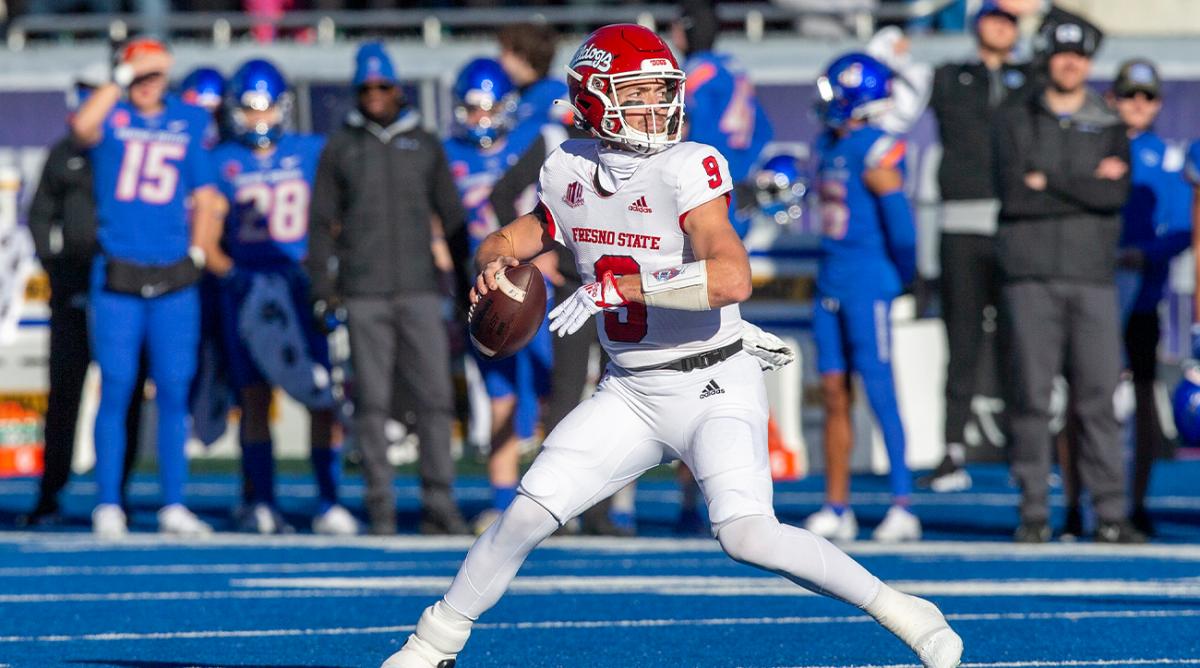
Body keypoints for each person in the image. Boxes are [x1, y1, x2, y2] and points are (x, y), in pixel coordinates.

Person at [379, 24, 962, 668]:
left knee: (747, 535)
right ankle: (433, 642)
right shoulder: (567, 165)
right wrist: (491, 260)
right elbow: (522, 235)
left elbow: (732, 276)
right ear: (595, 99)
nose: (658, 107)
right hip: (629, 390)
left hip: (713, 382)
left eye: (663, 92)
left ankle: (900, 607)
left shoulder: (690, 165)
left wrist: (619, 286)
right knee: (528, 509)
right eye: (639, 93)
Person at [306, 43, 470, 536]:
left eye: (382, 86)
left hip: (421, 288)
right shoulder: (341, 145)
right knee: (372, 404)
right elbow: (319, 224)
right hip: (363, 292)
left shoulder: (424, 141)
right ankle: (380, 504)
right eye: (365, 87)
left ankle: (438, 500)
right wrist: (323, 286)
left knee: (436, 398)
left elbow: (453, 217)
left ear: (397, 88)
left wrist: (467, 285)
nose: (374, 95)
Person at [993, 11, 1143, 544]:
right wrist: (1082, 184)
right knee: (1032, 399)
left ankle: (1109, 514)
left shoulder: (1109, 122)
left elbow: (1114, 196)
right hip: (1030, 276)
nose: (1070, 64)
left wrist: (1050, 181)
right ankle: (1034, 512)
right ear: (1049, 59)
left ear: (1088, 63)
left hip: (1091, 276)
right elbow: (1014, 194)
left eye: (1079, 57)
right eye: (1061, 55)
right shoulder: (1015, 118)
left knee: (1098, 401)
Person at [70, 37, 226, 538]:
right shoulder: (110, 113)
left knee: (175, 391)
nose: (146, 84)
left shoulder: (188, 119)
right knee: (116, 387)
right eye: (138, 75)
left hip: (174, 274)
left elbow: (205, 196)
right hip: (119, 270)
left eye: (153, 74)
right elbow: (81, 126)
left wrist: (199, 254)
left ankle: (173, 503)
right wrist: (121, 75)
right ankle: (109, 501)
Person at [207, 59, 358, 536]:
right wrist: (235, 277)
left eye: (266, 108)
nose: (258, 119)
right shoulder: (220, 159)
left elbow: (341, 213)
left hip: (300, 285)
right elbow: (207, 238)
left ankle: (328, 500)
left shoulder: (312, 151)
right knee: (253, 397)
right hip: (247, 287)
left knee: (320, 395)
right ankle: (262, 500)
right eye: (249, 110)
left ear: (284, 108)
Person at [19, 66, 148, 528]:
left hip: (126, 286)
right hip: (76, 288)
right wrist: (56, 269)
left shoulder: (135, 144)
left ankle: (117, 495)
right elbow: (39, 217)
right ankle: (50, 494)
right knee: (66, 393)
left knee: (127, 390)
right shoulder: (65, 153)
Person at [802, 53, 921, 543]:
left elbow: (904, 230)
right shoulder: (830, 144)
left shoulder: (878, 149)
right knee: (833, 392)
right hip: (831, 277)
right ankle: (837, 504)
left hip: (867, 280)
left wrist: (904, 279)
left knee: (878, 387)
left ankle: (901, 503)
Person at [922, 0, 1034, 492]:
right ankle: (951, 453)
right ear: (977, 23)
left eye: (1009, 19)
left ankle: (1025, 455)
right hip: (961, 228)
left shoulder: (1032, 79)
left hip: (1015, 227)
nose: (1000, 26)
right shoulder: (950, 76)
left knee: (1020, 345)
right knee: (962, 344)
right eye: (993, 17)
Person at [442, 57, 554, 535]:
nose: (479, 119)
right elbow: (438, 225)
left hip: (535, 284)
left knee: (552, 394)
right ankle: (503, 498)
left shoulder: (532, 146)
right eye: (470, 109)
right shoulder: (448, 153)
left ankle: (552, 500)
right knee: (500, 394)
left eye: (487, 108)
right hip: (484, 289)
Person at [1077, 59, 1188, 539]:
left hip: (1140, 299)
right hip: (1090, 291)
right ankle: (1076, 504)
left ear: (1158, 104)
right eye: (1128, 96)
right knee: (1084, 397)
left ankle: (1134, 502)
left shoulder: (1165, 157)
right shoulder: (1091, 147)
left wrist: (1145, 254)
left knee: (1141, 398)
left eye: (1146, 97)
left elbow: (1184, 227)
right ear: (1112, 99)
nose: (1137, 105)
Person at [496, 23, 570, 142]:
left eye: (505, 53)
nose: (499, 60)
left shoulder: (560, 94)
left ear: (522, 57)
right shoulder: (511, 94)